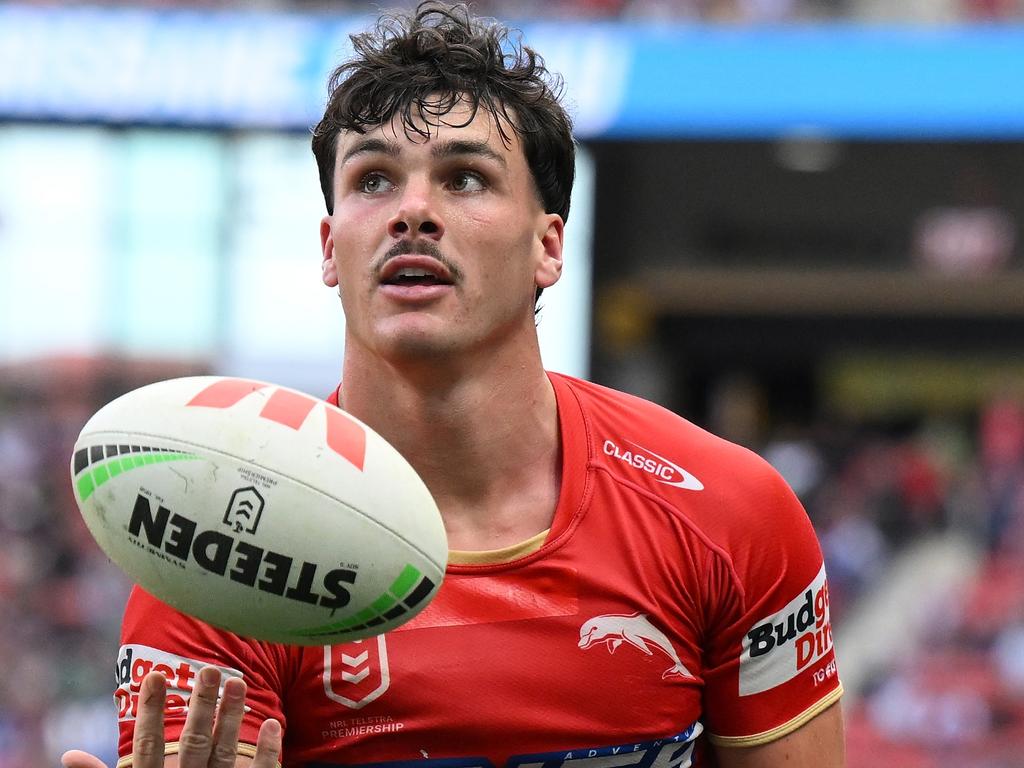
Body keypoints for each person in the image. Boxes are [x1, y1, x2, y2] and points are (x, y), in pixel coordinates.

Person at [63, 3, 844, 766]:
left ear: (548, 246)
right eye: (373, 179)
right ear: (332, 248)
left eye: (465, 178)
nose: (412, 212)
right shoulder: (216, 543)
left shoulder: (727, 513)